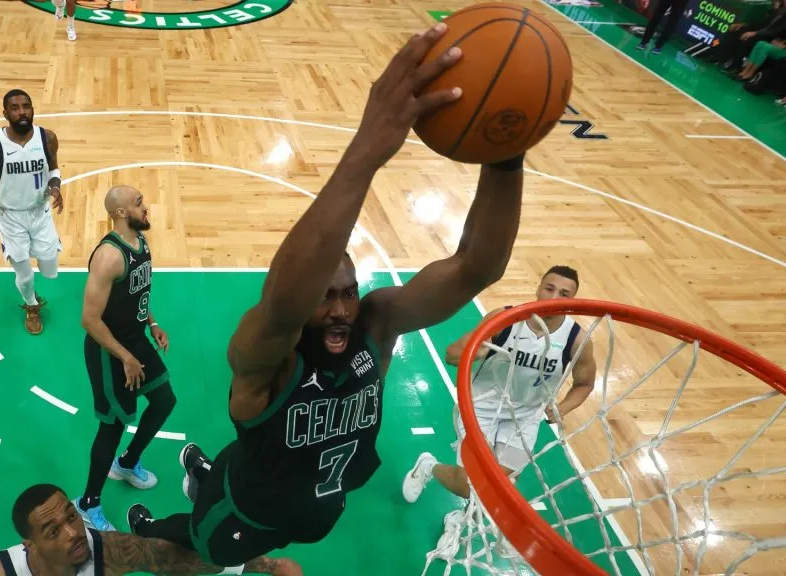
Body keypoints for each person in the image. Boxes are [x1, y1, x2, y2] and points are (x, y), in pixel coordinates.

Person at [126, 22, 528, 567]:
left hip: (322, 508)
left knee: (246, 476)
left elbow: (476, 267)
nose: (340, 310)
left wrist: (506, 152)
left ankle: (201, 470)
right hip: (244, 513)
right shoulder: (265, 357)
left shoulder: (375, 325)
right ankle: (166, 513)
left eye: (349, 292)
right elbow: (285, 302)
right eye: (326, 296)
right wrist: (366, 150)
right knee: (200, 542)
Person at [401, 265, 597, 556]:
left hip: (525, 419)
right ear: (538, 288)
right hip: (481, 408)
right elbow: (451, 354)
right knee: (470, 485)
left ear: (573, 301)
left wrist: (562, 408)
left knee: (498, 487)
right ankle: (428, 466)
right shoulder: (504, 320)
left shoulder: (576, 340)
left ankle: (456, 520)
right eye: (549, 288)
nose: (554, 296)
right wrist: (472, 351)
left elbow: (585, 383)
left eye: (565, 293)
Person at [76, 185, 176, 532]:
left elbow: (137, 294)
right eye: (139, 203)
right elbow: (89, 320)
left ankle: (128, 462)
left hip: (135, 339)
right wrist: (125, 358)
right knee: (112, 425)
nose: (145, 207)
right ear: (120, 213)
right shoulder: (108, 256)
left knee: (164, 400)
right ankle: (88, 502)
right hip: (109, 350)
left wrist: (153, 323)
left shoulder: (140, 242)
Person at [0, 483, 302, 576]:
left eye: (72, 517)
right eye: (53, 531)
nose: (73, 533)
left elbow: (181, 560)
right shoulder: (0, 574)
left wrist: (270, 566)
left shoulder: (109, 551)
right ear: (29, 545)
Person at [0, 89, 64, 335]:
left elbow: (53, 169)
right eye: (15, 108)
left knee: (50, 271)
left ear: (32, 109)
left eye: (26, 107)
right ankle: (31, 306)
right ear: (5, 113)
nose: (22, 112)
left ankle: (36, 277)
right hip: (11, 217)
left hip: (40, 213)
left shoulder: (47, 138)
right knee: (25, 274)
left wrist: (55, 186)